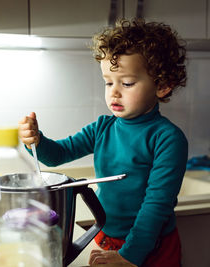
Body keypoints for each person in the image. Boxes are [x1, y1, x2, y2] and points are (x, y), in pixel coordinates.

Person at [18, 19, 188, 267]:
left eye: (127, 83)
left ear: (162, 86)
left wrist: (129, 256)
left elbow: (156, 206)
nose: (114, 92)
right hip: (108, 238)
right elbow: (57, 155)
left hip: (150, 246)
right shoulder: (102, 128)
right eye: (108, 82)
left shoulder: (168, 138)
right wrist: (36, 140)